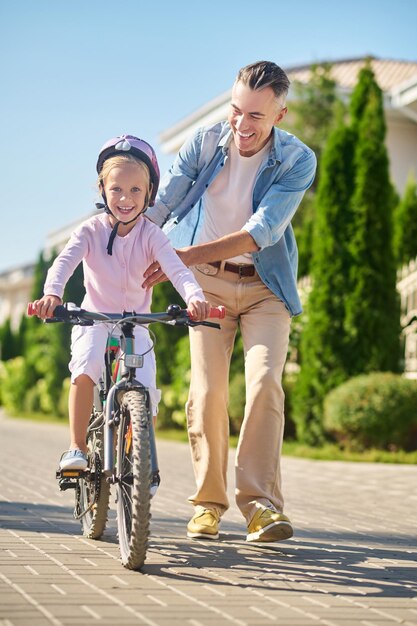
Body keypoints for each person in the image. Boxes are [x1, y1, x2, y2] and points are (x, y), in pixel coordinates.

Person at [143, 61, 317, 542]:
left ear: (279, 115)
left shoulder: (297, 160)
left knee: (264, 386)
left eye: (256, 117)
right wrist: (124, 246)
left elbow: (262, 233)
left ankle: (260, 504)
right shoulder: (202, 144)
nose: (242, 125)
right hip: (207, 286)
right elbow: (161, 209)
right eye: (236, 110)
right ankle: (208, 504)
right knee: (208, 392)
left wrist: (183, 255)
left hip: (265, 287)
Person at [30, 134, 211, 471]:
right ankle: (76, 447)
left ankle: (142, 464)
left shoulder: (152, 236)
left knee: (147, 390)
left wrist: (196, 298)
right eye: (116, 189)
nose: (125, 198)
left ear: (149, 194)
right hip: (94, 317)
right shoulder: (90, 231)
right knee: (85, 367)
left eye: (135, 190)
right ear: (102, 189)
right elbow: (64, 263)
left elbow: (178, 270)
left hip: (137, 323)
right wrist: (52, 293)